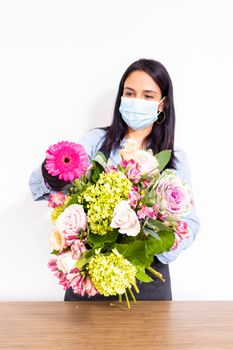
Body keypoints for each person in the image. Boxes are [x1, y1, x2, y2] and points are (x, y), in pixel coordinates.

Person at [29, 58, 200, 301]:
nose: (136, 101)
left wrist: (147, 243)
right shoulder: (95, 142)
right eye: (129, 93)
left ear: (162, 105)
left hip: (148, 281)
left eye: (148, 96)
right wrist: (57, 169)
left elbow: (190, 224)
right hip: (90, 277)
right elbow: (41, 186)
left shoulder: (174, 159)